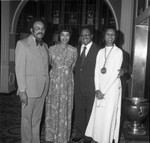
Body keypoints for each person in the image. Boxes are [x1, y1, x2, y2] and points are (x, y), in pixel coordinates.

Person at [85, 28, 123, 143]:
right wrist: (97, 89)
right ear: (104, 36)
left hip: (111, 89)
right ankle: (97, 139)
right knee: (99, 116)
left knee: (108, 116)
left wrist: (104, 91)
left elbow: (115, 73)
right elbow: (96, 71)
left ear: (115, 37)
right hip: (100, 89)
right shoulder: (100, 52)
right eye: (107, 34)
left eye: (112, 35)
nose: (110, 37)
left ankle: (106, 139)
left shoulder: (118, 52)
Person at [15, 18, 49, 143]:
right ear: (31, 30)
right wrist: (22, 90)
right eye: (37, 28)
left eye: (42, 28)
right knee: (26, 120)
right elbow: (19, 69)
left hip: (42, 89)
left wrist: (47, 87)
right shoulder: (22, 44)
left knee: (37, 120)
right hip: (29, 90)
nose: (40, 30)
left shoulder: (45, 45)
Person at [45, 26, 78, 143]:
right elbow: (47, 65)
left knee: (65, 108)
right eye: (62, 35)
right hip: (54, 82)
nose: (65, 37)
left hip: (68, 83)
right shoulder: (51, 49)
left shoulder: (74, 51)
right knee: (53, 107)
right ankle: (51, 135)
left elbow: (73, 67)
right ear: (59, 36)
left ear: (70, 36)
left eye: (67, 35)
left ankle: (63, 137)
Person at [70, 25, 100, 143]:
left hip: (92, 87)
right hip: (77, 86)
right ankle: (79, 132)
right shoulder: (75, 50)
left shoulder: (98, 50)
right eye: (82, 35)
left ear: (92, 36)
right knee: (79, 110)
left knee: (90, 112)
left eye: (87, 34)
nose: (85, 37)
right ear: (80, 37)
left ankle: (88, 135)